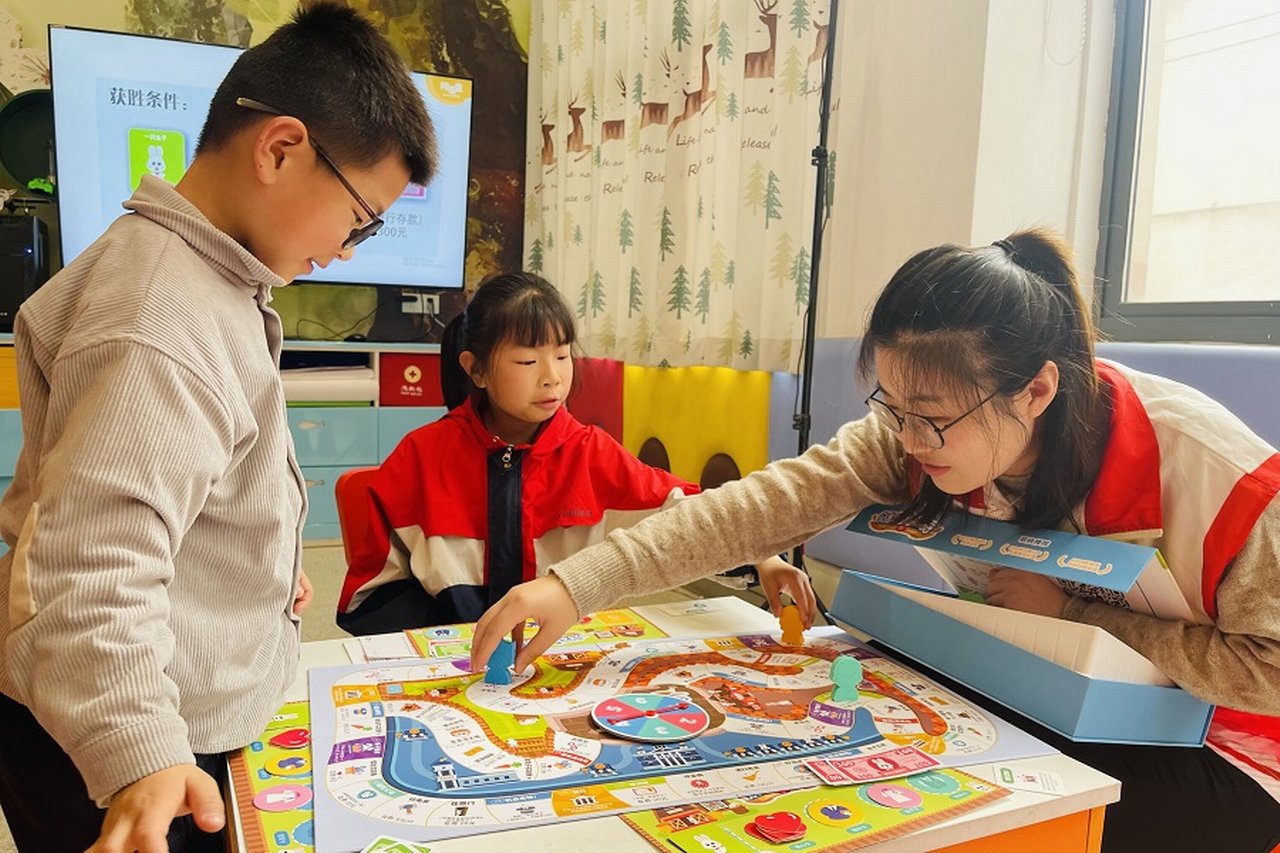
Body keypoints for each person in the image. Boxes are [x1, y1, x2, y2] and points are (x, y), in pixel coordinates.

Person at [471, 229, 1280, 852]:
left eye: (929, 416)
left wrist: (1081, 613)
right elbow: (760, 506)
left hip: (1232, 746)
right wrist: (579, 584)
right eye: (889, 404)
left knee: (996, 820)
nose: (906, 437)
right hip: (1050, 684)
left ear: (1036, 390)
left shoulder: (1214, 477)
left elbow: (1271, 672)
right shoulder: (914, 430)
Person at [0, 4, 437, 851]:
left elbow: (184, 495)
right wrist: (139, 751)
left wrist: (258, 573)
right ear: (280, 148)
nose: (352, 250)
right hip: (131, 743)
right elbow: (92, 563)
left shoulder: (205, 282)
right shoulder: (163, 313)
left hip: (148, 708)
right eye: (360, 217)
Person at [336, 271, 816, 636]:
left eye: (562, 355)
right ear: (476, 370)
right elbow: (372, 594)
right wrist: (444, 643)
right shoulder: (423, 455)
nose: (552, 377)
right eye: (527, 361)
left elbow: (688, 514)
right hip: (451, 667)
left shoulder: (591, 452)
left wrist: (763, 558)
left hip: (560, 663)